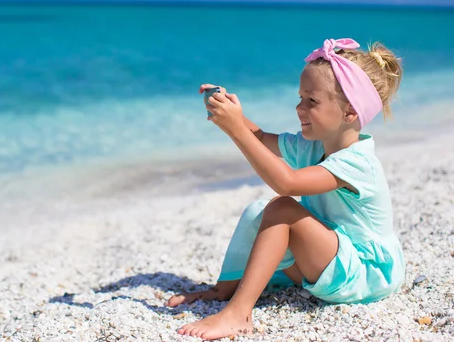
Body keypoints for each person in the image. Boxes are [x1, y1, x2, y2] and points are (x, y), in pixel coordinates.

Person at [166, 38, 406, 340]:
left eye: (312, 101)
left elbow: (287, 183)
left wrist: (235, 130)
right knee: (259, 212)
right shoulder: (313, 145)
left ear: (350, 113)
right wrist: (230, 112)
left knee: (282, 207)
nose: (299, 107)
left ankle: (239, 315)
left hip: (365, 275)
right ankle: (224, 290)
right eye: (300, 97)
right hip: (332, 259)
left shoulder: (358, 163)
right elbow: (262, 137)